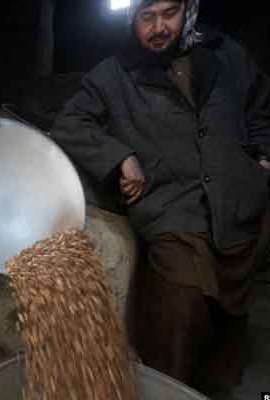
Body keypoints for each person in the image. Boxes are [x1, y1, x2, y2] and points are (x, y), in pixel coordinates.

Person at [49, 0, 270, 392]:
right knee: (178, 313)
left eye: (169, 13)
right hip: (173, 212)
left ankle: (213, 388)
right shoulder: (114, 75)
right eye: (146, 17)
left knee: (230, 324)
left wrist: (263, 158)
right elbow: (70, 123)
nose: (158, 27)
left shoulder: (226, 56)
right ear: (131, 19)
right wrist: (120, 157)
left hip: (237, 208)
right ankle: (168, 388)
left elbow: (260, 110)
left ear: (189, 9)